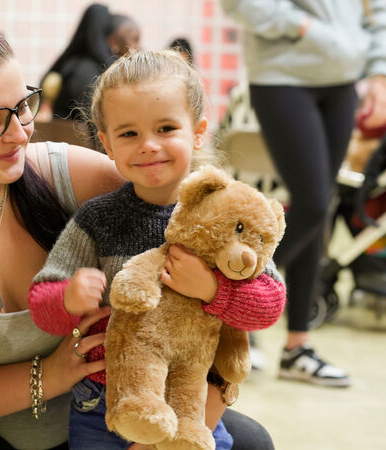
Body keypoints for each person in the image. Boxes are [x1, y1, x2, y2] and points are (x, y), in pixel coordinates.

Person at [0, 1, 277, 449]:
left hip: (111, 423)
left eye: (23, 106)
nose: (19, 133)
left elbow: (214, 275)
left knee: (248, 441)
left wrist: (180, 426)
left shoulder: (76, 178)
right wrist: (47, 376)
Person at [28, 49, 286, 450]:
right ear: (106, 144)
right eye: (129, 134)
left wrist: (214, 291)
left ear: (198, 131)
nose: (149, 146)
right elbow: (43, 306)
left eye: (166, 128)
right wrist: (68, 298)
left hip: (193, 407)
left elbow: (269, 304)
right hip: (104, 408)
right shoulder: (98, 219)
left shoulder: (229, 210)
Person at [221, 0, 386, 386]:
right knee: (315, 201)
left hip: (342, 80)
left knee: (319, 205)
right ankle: (235, 295)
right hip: (283, 73)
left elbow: (378, 10)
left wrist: (381, 74)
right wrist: (305, 28)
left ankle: (296, 346)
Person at [41, 3, 140, 121]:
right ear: (111, 40)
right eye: (134, 40)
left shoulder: (83, 67)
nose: (137, 47)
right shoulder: (84, 71)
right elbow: (93, 120)